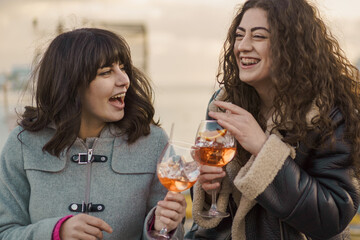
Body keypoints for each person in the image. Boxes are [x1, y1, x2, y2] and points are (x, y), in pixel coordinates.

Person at [186, 0, 360, 239]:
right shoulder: (225, 104)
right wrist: (207, 187)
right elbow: (214, 211)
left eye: (258, 36)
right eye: (239, 35)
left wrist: (263, 148)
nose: (242, 46)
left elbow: (333, 216)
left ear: (291, 46)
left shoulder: (328, 113)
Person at [0, 28, 186, 240]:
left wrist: (160, 229)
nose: (124, 79)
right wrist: (56, 233)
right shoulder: (22, 144)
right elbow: (5, 232)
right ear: (71, 84)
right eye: (106, 72)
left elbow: (173, 234)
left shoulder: (153, 142)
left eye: (123, 68)